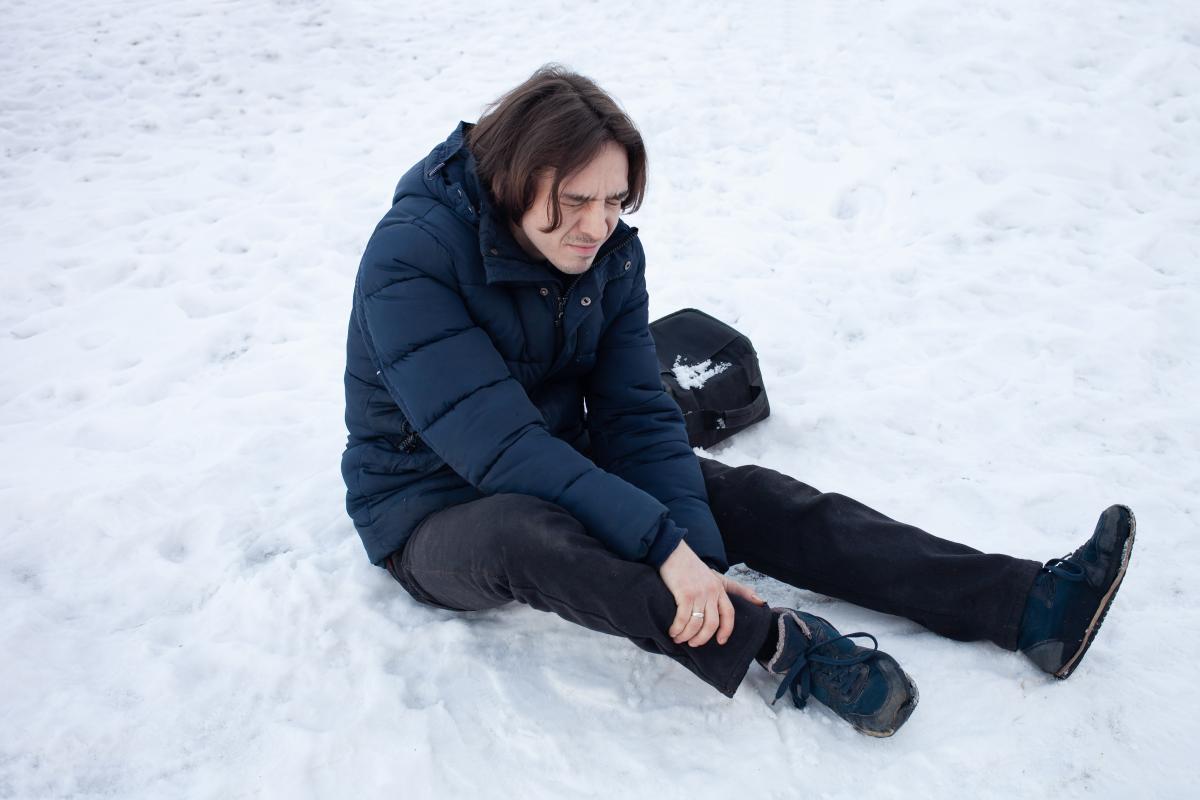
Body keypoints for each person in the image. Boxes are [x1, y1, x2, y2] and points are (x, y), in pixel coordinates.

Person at [340, 65, 1135, 737]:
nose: (597, 226)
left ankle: (1030, 606)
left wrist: (697, 553)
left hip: (559, 451)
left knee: (741, 494)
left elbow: (634, 414)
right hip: (430, 509)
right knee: (533, 532)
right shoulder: (411, 256)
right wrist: (664, 554)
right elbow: (502, 448)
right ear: (518, 172)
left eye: (616, 201)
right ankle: (777, 645)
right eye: (576, 201)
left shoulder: (610, 254)